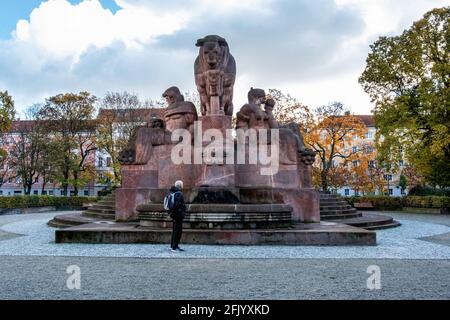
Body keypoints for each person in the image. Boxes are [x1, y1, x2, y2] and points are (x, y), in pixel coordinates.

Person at [168, 180, 186, 252]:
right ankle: (174, 247)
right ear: (181, 186)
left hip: (174, 214)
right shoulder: (179, 194)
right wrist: (182, 211)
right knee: (178, 231)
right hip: (178, 215)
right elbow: (177, 204)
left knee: (175, 230)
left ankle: (173, 245)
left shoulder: (173, 192)